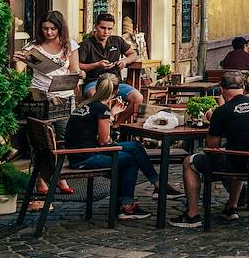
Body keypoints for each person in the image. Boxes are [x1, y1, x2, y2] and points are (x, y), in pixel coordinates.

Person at [66, 74, 176, 220]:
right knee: (130, 160)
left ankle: (158, 186)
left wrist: (111, 114)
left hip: (78, 154)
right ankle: (128, 206)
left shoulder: (85, 105)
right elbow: (105, 142)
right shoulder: (101, 110)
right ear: (115, 92)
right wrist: (111, 117)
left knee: (135, 146)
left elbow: (97, 137)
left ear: (97, 88)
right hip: (85, 159)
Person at [171, 71, 249, 227]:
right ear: (243, 88)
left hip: (238, 162)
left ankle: (192, 215)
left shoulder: (222, 111)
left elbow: (212, 147)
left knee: (188, 162)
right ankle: (231, 207)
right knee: (234, 150)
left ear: (221, 89)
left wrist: (213, 120)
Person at [13, 10, 80, 196]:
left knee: (62, 139)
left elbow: (75, 70)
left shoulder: (69, 46)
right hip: (39, 97)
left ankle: (60, 176)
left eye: (52, 29)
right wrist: (19, 60)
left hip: (64, 97)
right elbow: (19, 69)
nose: (49, 33)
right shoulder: (34, 46)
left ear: (60, 28)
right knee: (41, 140)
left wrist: (79, 75)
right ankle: (42, 179)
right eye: (45, 29)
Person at [77, 13, 143, 124]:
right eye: (102, 28)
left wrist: (124, 61)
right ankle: (101, 126)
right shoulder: (85, 44)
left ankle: (116, 125)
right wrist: (97, 64)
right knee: (97, 98)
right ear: (95, 26)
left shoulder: (117, 41)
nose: (106, 32)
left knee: (138, 98)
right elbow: (78, 65)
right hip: (94, 83)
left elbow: (133, 54)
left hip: (116, 83)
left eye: (109, 29)